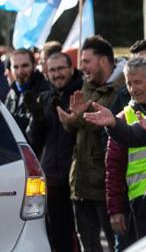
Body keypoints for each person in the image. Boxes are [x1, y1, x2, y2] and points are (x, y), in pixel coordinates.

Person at [57, 35, 124, 251]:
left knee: (115, 244)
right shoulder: (85, 87)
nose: (82, 67)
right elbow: (76, 127)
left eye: (86, 61)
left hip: (105, 183)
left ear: (103, 61)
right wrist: (69, 120)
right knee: (88, 245)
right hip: (81, 182)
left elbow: (103, 124)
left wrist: (77, 117)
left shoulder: (120, 90)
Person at [26, 52, 82, 252]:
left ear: (71, 69)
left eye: (61, 69)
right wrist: (38, 119)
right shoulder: (44, 98)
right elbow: (33, 142)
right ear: (46, 73)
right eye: (52, 70)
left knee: (85, 238)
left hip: (79, 180)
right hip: (52, 181)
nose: (57, 74)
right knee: (58, 239)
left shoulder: (81, 95)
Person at [104, 57, 146, 251]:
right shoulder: (123, 118)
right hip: (139, 203)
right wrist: (115, 210)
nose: (133, 88)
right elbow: (113, 168)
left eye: (137, 82)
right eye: (128, 83)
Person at [6, 48, 50, 133]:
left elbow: (38, 128)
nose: (20, 71)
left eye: (25, 65)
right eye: (15, 67)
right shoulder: (12, 92)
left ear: (34, 65)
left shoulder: (45, 90)